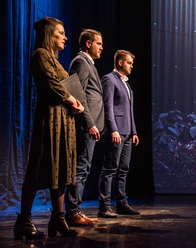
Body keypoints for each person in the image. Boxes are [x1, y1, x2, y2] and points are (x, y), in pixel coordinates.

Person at [14, 17, 84, 240]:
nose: (65, 37)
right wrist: (71, 100)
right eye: (60, 33)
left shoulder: (56, 60)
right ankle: (24, 221)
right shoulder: (40, 55)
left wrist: (77, 102)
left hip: (63, 121)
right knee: (38, 167)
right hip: (49, 121)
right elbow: (53, 84)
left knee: (61, 168)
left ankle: (59, 219)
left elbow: (66, 84)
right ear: (48, 34)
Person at [65, 29, 104, 226]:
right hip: (86, 125)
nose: (101, 48)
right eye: (99, 43)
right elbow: (77, 94)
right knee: (81, 168)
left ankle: (74, 211)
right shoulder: (81, 62)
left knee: (84, 167)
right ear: (88, 43)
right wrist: (90, 124)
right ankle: (73, 212)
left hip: (91, 125)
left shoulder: (88, 63)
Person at [98, 50, 139, 218]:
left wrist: (134, 132)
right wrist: (113, 129)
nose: (132, 66)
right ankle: (104, 206)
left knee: (124, 169)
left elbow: (129, 111)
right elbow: (107, 106)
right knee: (110, 169)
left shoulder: (126, 83)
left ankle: (122, 204)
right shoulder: (109, 79)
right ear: (120, 63)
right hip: (116, 131)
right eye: (129, 63)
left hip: (127, 132)